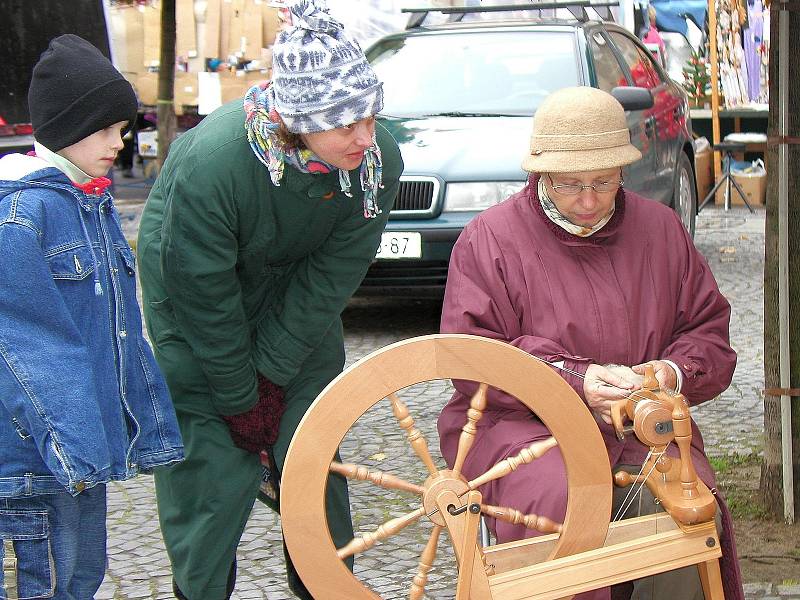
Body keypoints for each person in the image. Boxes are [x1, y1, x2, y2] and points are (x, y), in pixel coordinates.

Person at [136, 0, 403, 598]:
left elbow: (333, 275)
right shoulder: (213, 162)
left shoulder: (375, 160)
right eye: (346, 124)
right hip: (192, 304)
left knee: (311, 452)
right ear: (299, 119)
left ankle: (325, 585)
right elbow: (202, 292)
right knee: (212, 469)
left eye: (371, 115)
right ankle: (201, 586)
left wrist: (273, 374)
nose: (367, 136)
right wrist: (238, 395)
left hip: (295, 307)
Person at [437, 86, 744, 600]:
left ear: (624, 171)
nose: (587, 199)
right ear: (540, 175)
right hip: (521, 430)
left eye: (603, 182)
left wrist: (664, 375)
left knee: (685, 507)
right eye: (569, 185)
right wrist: (576, 382)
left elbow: (708, 335)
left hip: (643, 426)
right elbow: (473, 357)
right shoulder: (489, 240)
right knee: (566, 500)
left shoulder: (661, 229)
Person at [0, 34, 184, 599]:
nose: (118, 141)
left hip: (79, 452)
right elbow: (27, 345)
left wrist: (136, 428)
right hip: (32, 459)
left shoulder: (90, 204)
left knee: (81, 577)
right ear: (65, 128)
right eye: (105, 129)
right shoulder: (22, 217)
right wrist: (71, 441)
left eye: (122, 128)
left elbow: (123, 332)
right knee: (45, 584)